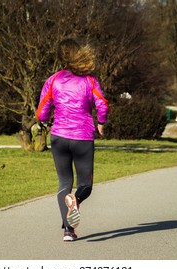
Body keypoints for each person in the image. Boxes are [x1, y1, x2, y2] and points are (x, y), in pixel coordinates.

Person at [36, 38, 109, 242]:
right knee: (85, 184)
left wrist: (50, 115)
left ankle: (68, 231)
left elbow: (41, 113)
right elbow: (102, 104)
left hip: (59, 137)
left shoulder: (53, 80)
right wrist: (101, 122)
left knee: (64, 183)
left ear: (60, 57)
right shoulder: (90, 81)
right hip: (82, 137)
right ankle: (75, 200)